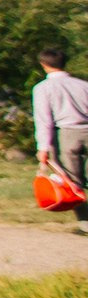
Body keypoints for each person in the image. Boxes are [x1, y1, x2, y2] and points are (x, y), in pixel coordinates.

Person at [34, 44, 88, 226]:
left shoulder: (43, 88)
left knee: (72, 181)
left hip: (65, 135)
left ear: (43, 64)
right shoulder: (83, 85)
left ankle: (85, 222)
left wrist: (43, 147)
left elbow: (44, 120)